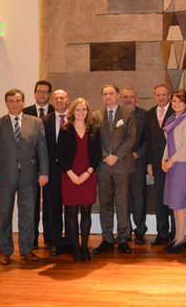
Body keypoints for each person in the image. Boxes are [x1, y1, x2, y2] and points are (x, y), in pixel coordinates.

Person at [0, 89, 49, 266]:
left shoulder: (36, 123)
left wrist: (44, 172)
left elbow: (42, 150)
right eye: (11, 101)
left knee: (28, 215)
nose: (15, 104)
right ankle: (5, 251)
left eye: (18, 101)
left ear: (23, 102)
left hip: (29, 178)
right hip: (3, 178)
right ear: (6, 103)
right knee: (3, 216)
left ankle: (26, 250)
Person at [92, 84, 136, 255]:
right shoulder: (95, 116)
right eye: (105, 94)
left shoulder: (128, 114)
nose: (108, 96)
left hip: (122, 166)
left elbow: (131, 138)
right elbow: (93, 140)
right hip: (103, 167)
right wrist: (105, 156)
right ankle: (107, 238)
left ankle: (123, 238)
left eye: (111, 93)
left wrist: (116, 156)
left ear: (118, 96)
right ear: (102, 97)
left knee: (123, 203)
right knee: (105, 204)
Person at [57, 98, 101, 261]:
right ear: (72, 112)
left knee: (86, 213)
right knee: (71, 213)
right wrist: (71, 174)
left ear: (88, 112)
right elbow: (60, 154)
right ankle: (75, 248)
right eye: (78, 110)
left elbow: (97, 153)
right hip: (70, 176)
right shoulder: (66, 129)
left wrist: (88, 172)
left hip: (88, 176)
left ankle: (84, 248)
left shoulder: (94, 129)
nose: (81, 113)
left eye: (84, 110)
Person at [161, 90, 186, 254]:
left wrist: (171, 160)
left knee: (179, 203)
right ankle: (177, 238)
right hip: (172, 164)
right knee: (174, 204)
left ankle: (181, 239)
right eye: (174, 101)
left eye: (179, 101)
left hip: (182, 164)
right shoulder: (171, 119)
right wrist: (164, 160)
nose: (176, 104)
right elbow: (168, 143)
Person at [23, 80, 54, 249]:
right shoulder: (24, 112)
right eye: (39, 91)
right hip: (30, 165)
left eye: (45, 91)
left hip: (51, 166)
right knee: (31, 204)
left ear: (49, 94)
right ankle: (32, 239)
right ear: (34, 93)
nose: (42, 94)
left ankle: (49, 238)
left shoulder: (56, 112)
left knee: (50, 203)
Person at [41, 90, 70, 257]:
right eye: (56, 98)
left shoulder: (75, 119)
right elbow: (41, 149)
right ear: (53, 101)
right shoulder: (45, 121)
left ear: (68, 100)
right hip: (52, 171)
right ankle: (56, 242)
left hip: (71, 172)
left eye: (62, 98)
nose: (59, 100)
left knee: (71, 207)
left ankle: (71, 240)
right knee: (53, 207)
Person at [146, 84, 175, 246]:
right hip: (157, 164)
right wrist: (149, 162)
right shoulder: (150, 114)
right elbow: (148, 141)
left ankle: (176, 234)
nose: (161, 97)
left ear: (169, 96)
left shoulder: (177, 112)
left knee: (174, 199)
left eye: (164, 95)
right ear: (154, 96)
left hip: (174, 163)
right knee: (160, 199)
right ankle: (162, 234)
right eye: (158, 95)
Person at [122, 86, 148, 244]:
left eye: (131, 97)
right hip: (120, 164)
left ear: (136, 98)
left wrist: (138, 153)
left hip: (138, 162)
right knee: (123, 199)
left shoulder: (144, 115)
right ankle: (125, 230)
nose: (128, 100)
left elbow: (148, 138)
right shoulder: (117, 115)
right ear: (121, 98)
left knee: (139, 198)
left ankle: (139, 231)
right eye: (126, 97)